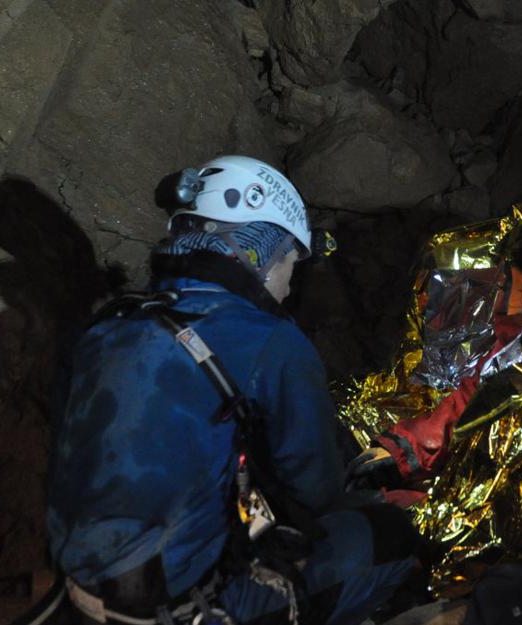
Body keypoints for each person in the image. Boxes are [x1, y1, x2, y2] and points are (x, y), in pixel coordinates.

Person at [47, 155, 419, 625]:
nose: (287, 290)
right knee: (388, 536)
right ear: (257, 255)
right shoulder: (270, 340)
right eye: (289, 265)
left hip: (79, 590)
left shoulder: (111, 323)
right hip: (171, 610)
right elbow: (315, 489)